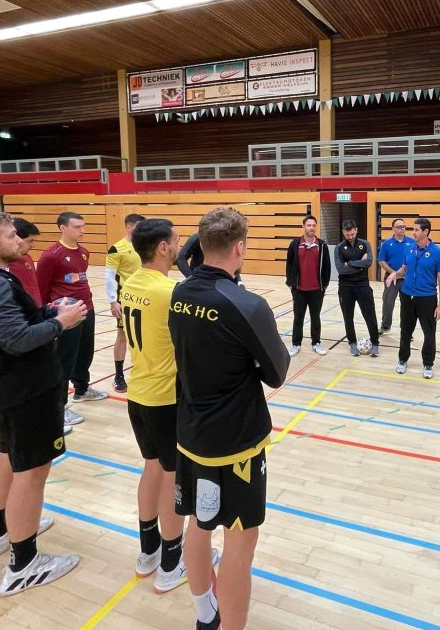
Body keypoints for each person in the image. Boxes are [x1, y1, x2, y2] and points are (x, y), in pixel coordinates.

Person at [0, 211, 86, 596]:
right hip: (26, 393)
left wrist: (47, 313)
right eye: (12, 235)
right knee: (32, 473)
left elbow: (8, 327)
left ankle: (2, 531)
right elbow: (15, 340)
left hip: (5, 388)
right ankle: (23, 564)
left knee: (8, 458)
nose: (20, 240)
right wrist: (61, 323)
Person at [170, 208, 290, 630]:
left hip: (190, 432)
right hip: (236, 442)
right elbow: (277, 372)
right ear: (240, 248)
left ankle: (206, 615)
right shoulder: (248, 305)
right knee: (240, 544)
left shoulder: (179, 294)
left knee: (199, 525)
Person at [119, 218, 216, 593]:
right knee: (174, 478)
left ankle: (149, 552)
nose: (179, 246)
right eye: (175, 241)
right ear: (163, 247)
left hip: (138, 394)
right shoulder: (170, 292)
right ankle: (172, 563)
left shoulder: (131, 284)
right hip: (165, 398)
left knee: (152, 469)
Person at [37, 211, 107, 427]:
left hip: (87, 308)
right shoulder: (51, 255)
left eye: (83, 226)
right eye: (77, 227)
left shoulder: (84, 252)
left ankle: (82, 389)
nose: (82, 231)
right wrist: (48, 315)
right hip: (67, 313)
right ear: (62, 228)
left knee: (85, 353)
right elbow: (42, 288)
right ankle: (59, 406)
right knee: (64, 359)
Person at [386, 217, 440, 380]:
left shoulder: (437, 253)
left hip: (427, 298)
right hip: (407, 296)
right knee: (405, 330)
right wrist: (394, 274)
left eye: (416, 230)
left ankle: (428, 363)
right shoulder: (409, 249)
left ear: (426, 232)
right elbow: (404, 268)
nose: (413, 232)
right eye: (413, 229)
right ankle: (402, 359)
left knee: (429, 333)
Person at [106, 213, 145, 393]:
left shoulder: (146, 246)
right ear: (129, 227)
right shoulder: (117, 248)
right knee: (122, 335)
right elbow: (109, 277)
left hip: (146, 297)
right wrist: (113, 301)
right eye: (138, 227)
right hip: (126, 299)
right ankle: (119, 375)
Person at [284, 214, 330, 357]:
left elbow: (327, 267)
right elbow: (289, 264)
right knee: (298, 318)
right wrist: (291, 283)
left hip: (316, 289)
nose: (311, 228)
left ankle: (316, 343)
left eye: (314, 225)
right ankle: (296, 344)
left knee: (315, 317)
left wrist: (324, 285)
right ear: (303, 226)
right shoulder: (295, 244)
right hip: (299, 289)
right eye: (309, 225)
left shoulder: (322, 245)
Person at [335, 219, 380, 357]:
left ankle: (375, 343)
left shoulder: (365, 244)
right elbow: (341, 269)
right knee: (348, 317)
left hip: (363, 285)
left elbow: (369, 262)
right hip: (345, 286)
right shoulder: (339, 248)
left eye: (352, 234)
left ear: (356, 230)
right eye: (348, 235)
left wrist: (350, 263)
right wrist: (360, 264)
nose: (350, 237)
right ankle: (352, 343)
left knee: (370, 315)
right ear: (343, 232)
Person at [377, 218, 414, 334]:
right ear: (393, 229)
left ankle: (406, 330)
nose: (402, 228)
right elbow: (381, 261)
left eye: (403, 226)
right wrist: (394, 273)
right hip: (391, 279)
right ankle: (385, 326)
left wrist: (403, 273)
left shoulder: (412, 243)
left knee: (407, 305)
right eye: (399, 227)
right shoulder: (386, 244)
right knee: (388, 303)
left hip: (406, 279)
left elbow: (414, 259)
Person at [11, 218, 42, 306]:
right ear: (16, 239)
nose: (33, 245)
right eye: (30, 241)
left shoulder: (27, 258)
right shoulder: (3, 264)